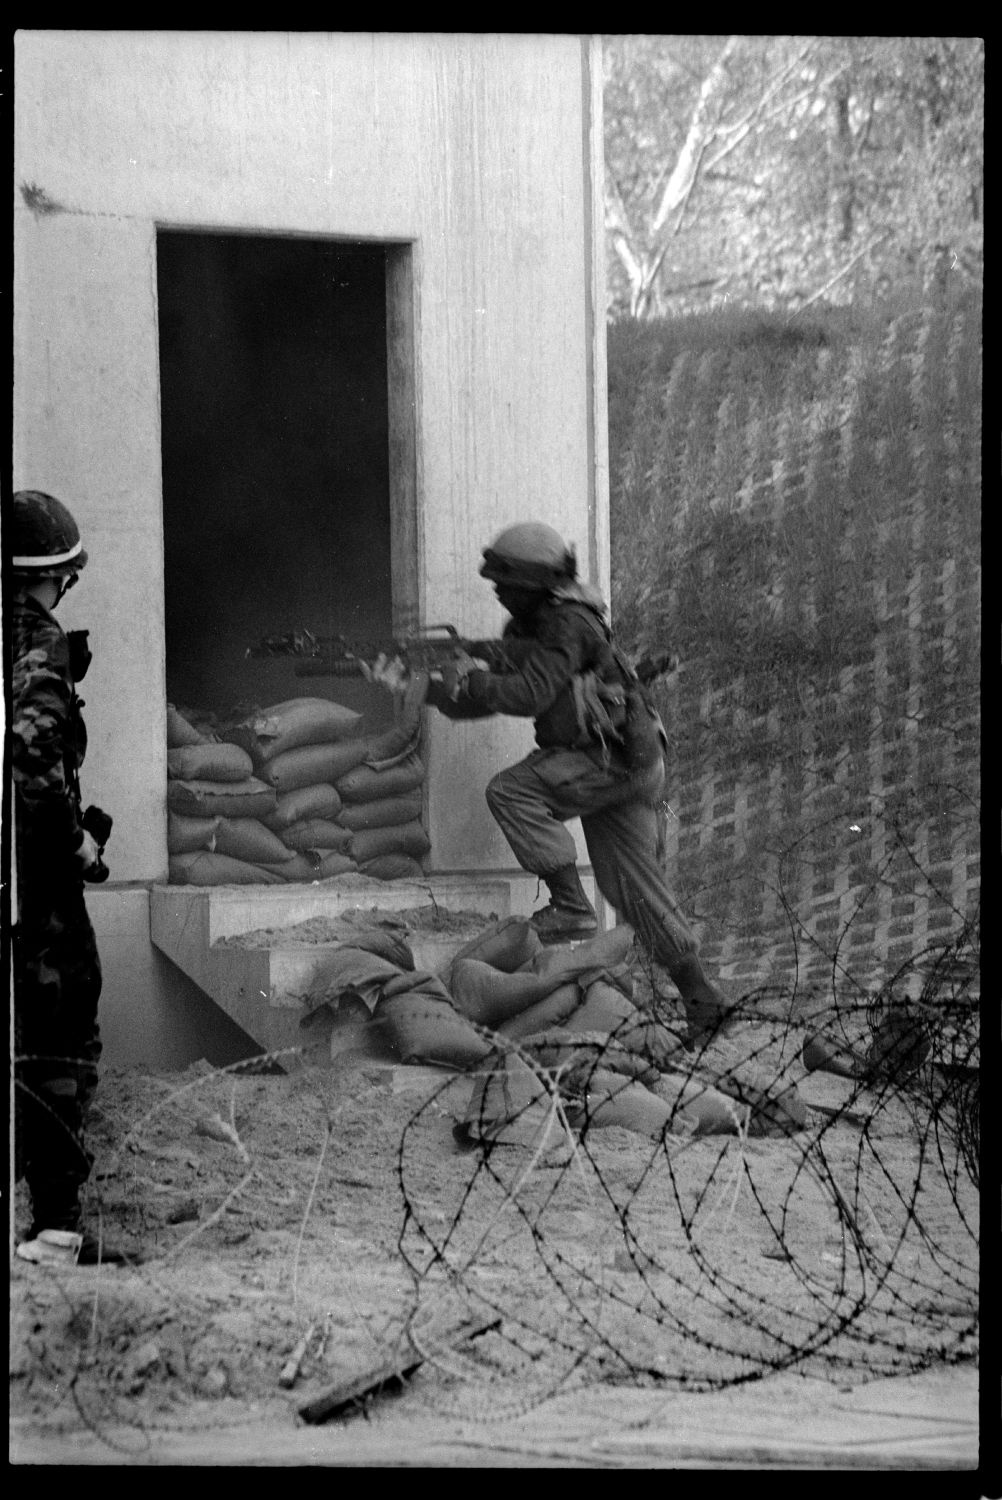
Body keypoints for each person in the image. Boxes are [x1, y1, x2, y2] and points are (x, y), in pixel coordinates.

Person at [376, 521, 735, 1041]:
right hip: (628, 760)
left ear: (535, 584)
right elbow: (480, 704)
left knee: (512, 790)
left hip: (607, 757)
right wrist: (424, 686)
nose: (497, 590)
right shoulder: (536, 628)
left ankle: (570, 906)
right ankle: (703, 998)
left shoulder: (566, 624)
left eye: (505, 582)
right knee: (633, 888)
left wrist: (470, 673)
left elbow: (529, 695)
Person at [10, 490, 125, 1266]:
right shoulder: (36, 638)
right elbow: (34, 760)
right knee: (57, 1031)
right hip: (32, 876)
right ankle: (54, 1226)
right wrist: (75, 846)